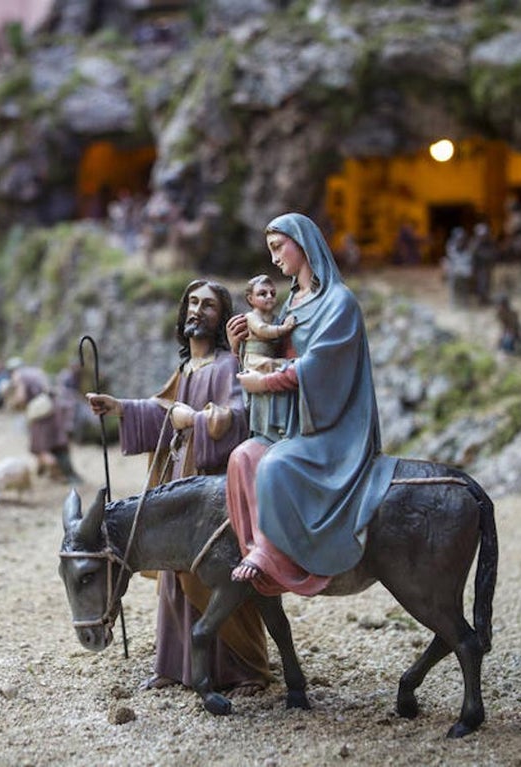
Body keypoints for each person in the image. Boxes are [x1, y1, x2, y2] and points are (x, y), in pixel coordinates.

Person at [85, 279, 268, 696]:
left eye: (207, 305)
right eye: (192, 302)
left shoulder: (226, 366)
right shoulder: (186, 369)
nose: (196, 310)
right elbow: (162, 409)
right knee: (173, 574)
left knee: (215, 574)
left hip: (211, 491)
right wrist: (119, 408)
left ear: (221, 317)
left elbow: (240, 417)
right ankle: (174, 664)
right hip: (178, 481)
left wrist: (201, 420)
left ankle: (244, 669)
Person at [225, 212, 399, 597]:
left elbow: (320, 368)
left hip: (333, 428)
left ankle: (275, 554)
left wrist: (268, 378)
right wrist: (240, 348)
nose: (274, 259)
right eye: (270, 250)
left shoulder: (339, 302)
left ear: (302, 243)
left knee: (274, 464)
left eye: (277, 247)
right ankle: (262, 550)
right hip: (293, 423)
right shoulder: (291, 304)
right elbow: (273, 351)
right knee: (241, 457)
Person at [5, 357, 81, 482]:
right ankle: (58, 473)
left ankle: (57, 474)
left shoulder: (18, 375)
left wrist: (12, 404)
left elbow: (21, 397)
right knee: (55, 443)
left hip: (39, 412)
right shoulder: (36, 371)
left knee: (39, 449)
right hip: (53, 407)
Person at [240, 274, 296, 374]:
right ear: (250, 299)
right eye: (263, 294)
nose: (269, 296)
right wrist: (284, 328)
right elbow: (262, 329)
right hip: (254, 359)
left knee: (286, 364)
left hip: (270, 356)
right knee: (270, 364)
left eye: (273, 294)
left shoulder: (276, 319)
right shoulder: (251, 316)